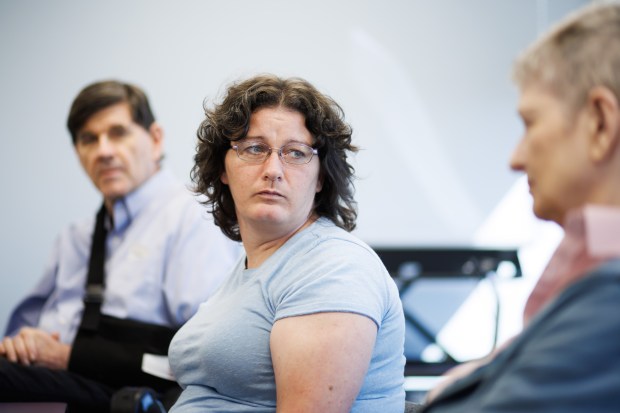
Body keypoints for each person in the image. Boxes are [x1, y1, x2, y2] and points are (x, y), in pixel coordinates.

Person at [421, 2, 620, 412]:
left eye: (530, 123)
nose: (516, 158)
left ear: (600, 123)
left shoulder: (611, 296)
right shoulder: (592, 266)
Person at [167, 74, 406, 413]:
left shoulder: (334, 267)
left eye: (295, 153)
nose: (273, 169)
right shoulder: (254, 263)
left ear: (321, 176)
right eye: (254, 148)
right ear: (223, 167)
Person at [0, 80, 240, 412]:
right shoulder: (75, 239)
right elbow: (21, 333)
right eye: (89, 139)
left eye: (118, 133)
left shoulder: (194, 218)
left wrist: (69, 357)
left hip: (132, 396)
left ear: (156, 140)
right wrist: (24, 343)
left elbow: (207, 356)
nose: (104, 151)